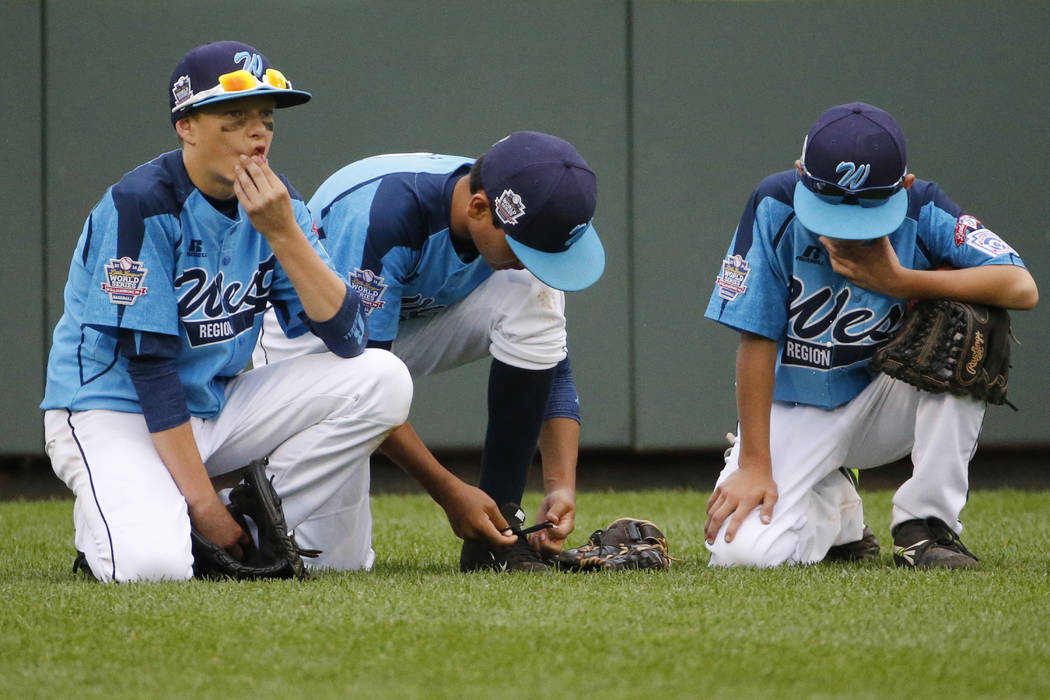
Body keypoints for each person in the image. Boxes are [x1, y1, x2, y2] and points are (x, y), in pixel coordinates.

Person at [40, 41, 412, 583]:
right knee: (153, 569)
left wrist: (285, 235)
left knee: (382, 378)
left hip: (213, 405)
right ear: (187, 126)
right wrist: (202, 508)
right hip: (114, 412)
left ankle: (253, 519)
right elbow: (149, 369)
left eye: (265, 118)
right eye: (234, 118)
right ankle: (127, 523)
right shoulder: (141, 203)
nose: (257, 133)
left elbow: (350, 338)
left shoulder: (279, 205)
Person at [702, 102, 1038, 569]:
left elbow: (1021, 287)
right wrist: (755, 465)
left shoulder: (924, 206)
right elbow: (755, 339)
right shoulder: (774, 203)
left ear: (904, 185)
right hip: (797, 408)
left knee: (968, 328)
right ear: (801, 174)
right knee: (742, 556)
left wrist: (902, 282)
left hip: (889, 398)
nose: (845, 226)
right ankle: (836, 511)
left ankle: (926, 525)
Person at [253, 132, 605, 571]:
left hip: (397, 328)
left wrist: (561, 486)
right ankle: (229, 496)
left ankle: (498, 531)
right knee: (331, 562)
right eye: (524, 249)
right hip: (312, 340)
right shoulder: (383, 215)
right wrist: (449, 492)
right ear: (478, 208)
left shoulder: (502, 204)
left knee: (535, 297)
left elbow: (552, 362)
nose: (530, 261)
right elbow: (364, 379)